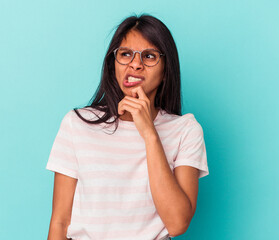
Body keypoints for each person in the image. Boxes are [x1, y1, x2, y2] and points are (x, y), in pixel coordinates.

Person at [46, 14, 209, 240]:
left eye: (149, 56)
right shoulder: (77, 124)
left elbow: (178, 223)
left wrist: (150, 135)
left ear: (165, 70)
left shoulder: (186, 130)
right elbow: (60, 222)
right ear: (114, 63)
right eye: (125, 54)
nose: (135, 64)